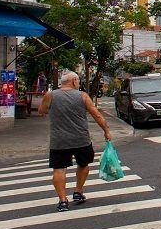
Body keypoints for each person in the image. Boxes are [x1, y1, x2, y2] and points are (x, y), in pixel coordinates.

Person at [38, 70, 111, 212]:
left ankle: (63, 201)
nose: (79, 83)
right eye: (78, 81)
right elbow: (96, 114)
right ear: (74, 81)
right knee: (83, 164)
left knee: (59, 169)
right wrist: (106, 131)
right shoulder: (83, 96)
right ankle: (78, 191)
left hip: (59, 140)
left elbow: (41, 111)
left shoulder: (50, 95)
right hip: (81, 139)